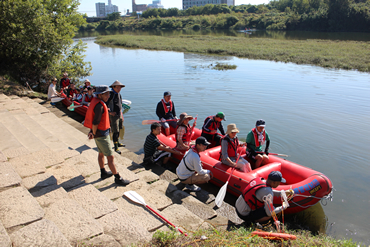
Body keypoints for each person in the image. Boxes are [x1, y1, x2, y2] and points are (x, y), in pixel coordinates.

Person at [83, 85, 130, 186]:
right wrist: (94, 133)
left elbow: (94, 120)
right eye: (106, 94)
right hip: (102, 135)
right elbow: (95, 122)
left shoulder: (98, 102)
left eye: (108, 93)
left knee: (101, 153)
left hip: (98, 134)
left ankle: (103, 172)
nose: (108, 95)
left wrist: (92, 132)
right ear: (100, 95)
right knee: (110, 157)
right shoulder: (99, 106)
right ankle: (118, 178)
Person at [106, 80, 126, 154]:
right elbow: (105, 104)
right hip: (113, 115)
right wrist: (110, 112)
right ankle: (116, 147)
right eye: (117, 87)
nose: (119, 89)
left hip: (119, 114)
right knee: (115, 131)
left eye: (120, 87)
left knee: (120, 128)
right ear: (113, 87)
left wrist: (121, 113)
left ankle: (118, 142)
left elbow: (120, 103)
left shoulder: (118, 94)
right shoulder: (110, 94)